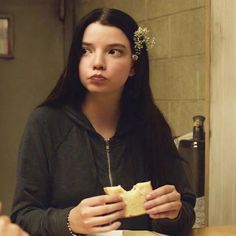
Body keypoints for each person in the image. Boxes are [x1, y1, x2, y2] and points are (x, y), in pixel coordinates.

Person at [11, 8, 196, 236]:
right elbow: (22, 217)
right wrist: (69, 221)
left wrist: (172, 214)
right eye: (86, 51)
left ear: (134, 66)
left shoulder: (151, 123)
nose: (97, 62)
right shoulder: (46, 122)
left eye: (114, 52)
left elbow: (186, 213)